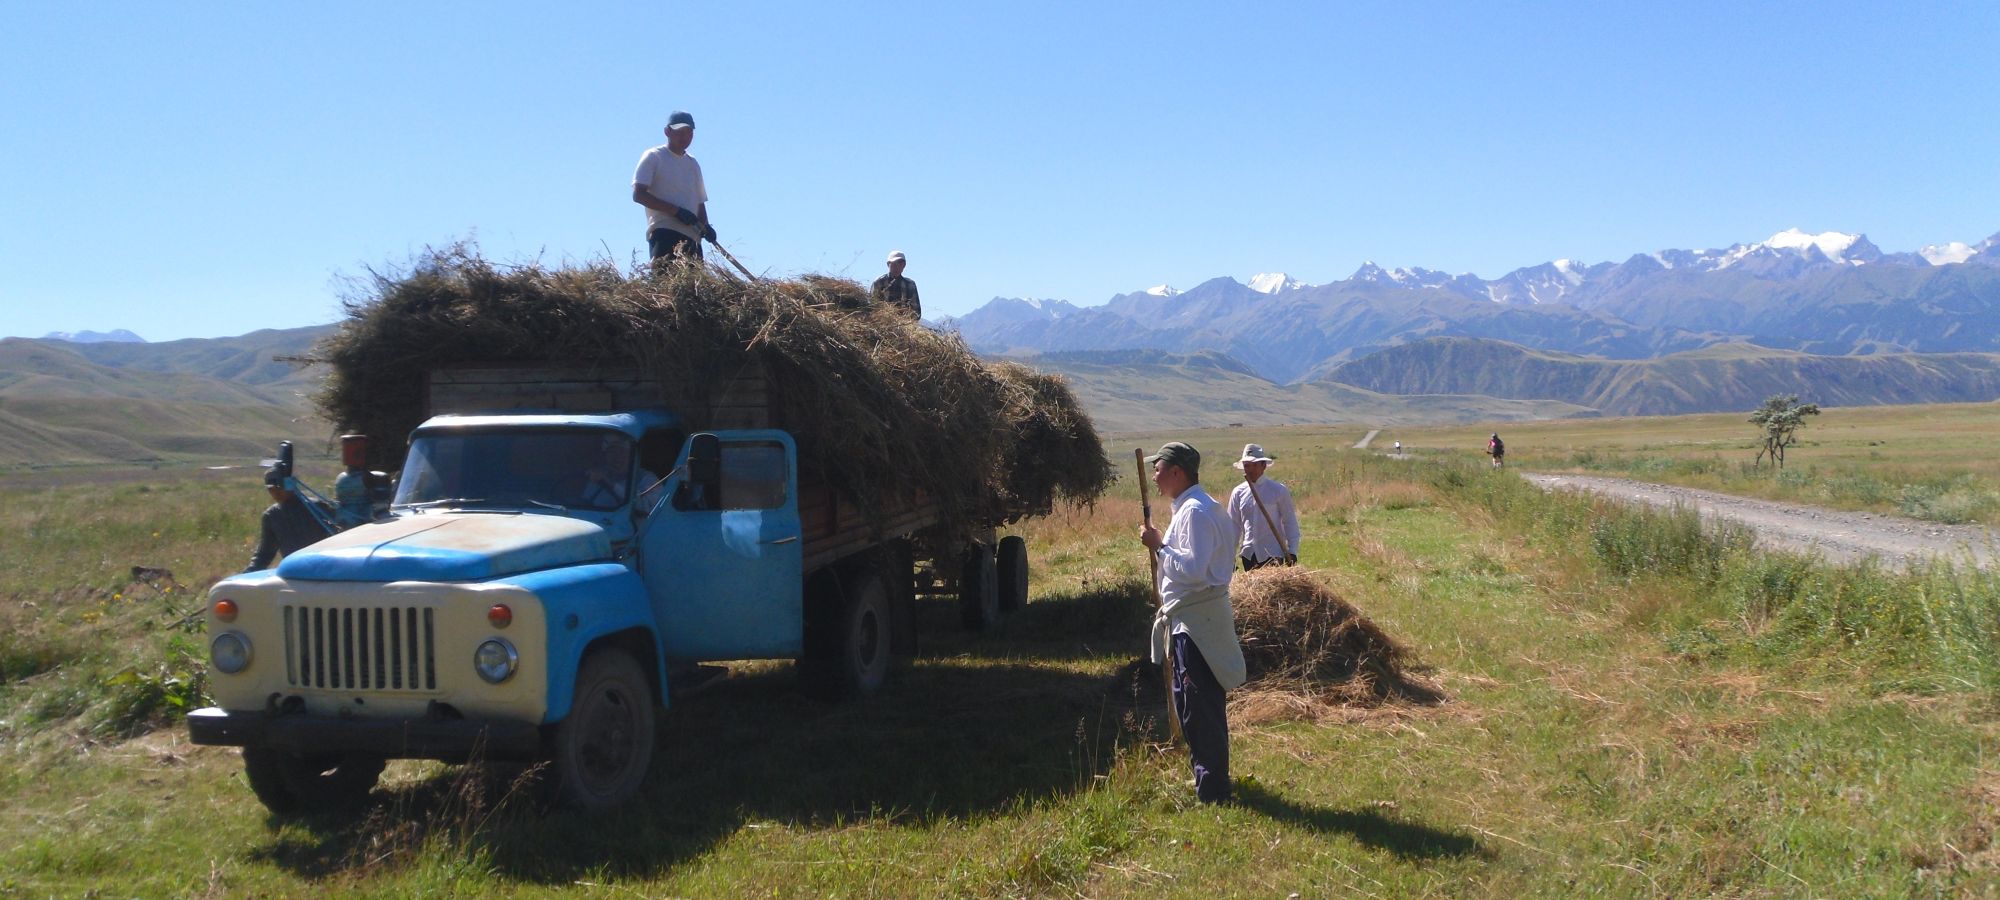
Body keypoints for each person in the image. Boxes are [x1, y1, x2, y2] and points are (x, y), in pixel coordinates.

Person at [1138, 441, 1247, 804]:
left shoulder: (1196, 513)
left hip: (1196, 622)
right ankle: (1208, 779)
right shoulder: (1196, 508)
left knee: (1200, 708)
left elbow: (1196, 571)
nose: (1154, 475)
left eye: (1159, 468)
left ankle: (1214, 791)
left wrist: (1159, 546)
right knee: (1193, 705)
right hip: (1193, 618)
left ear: (1176, 472)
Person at [631, 110, 715, 263]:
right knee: (665, 282)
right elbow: (639, 195)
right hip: (664, 231)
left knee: (694, 286)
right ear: (667, 131)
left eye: (688, 132)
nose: (684, 137)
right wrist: (676, 211)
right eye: (679, 132)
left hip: (692, 236)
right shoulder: (654, 156)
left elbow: (699, 202)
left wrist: (705, 226)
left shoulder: (693, 164)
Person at [1226, 444, 1300, 570]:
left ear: (1263, 466)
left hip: (1273, 554)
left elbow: (1290, 522)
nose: (1250, 469)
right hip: (1249, 554)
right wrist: (1228, 557)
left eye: (1255, 465)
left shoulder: (1278, 490)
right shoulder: (1238, 492)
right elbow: (1233, 526)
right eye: (1247, 465)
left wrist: (1292, 551)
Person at [244, 468, 330, 572]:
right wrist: (246, 575)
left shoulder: (317, 508)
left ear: (291, 484)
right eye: (271, 489)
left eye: (280, 487)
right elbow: (264, 554)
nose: (276, 492)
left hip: (324, 568)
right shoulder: (272, 516)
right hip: (295, 572)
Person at [870, 250, 921, 318]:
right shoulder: (878, 282)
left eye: (900, 264)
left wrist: (908, 322)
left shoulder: (910, 284)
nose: (897, 267)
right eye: (894, 264)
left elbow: (916, 310)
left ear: (904, 265)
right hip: (882, 322)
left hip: (904, 324)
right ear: (888, 264)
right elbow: (872, 306)